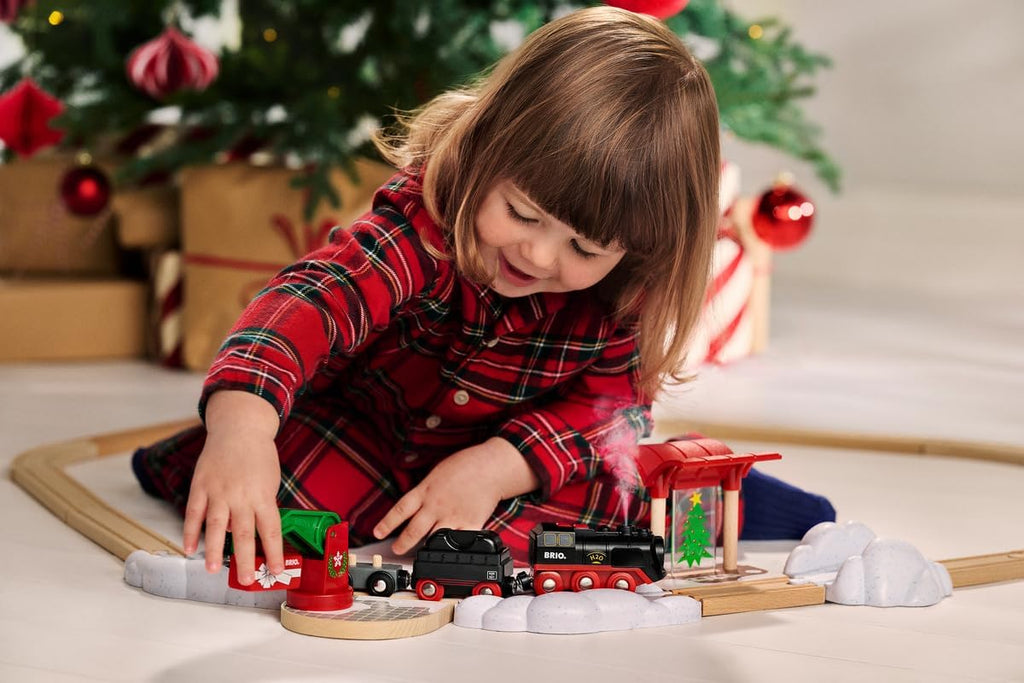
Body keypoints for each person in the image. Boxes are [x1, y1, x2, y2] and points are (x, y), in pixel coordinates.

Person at [133, 6, 832, 587]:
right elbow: (309, 305)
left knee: (592, 521)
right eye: (523, 214)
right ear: (486, 150)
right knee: (291, 508)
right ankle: (212, 458)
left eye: (584, 249)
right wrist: (242, 433)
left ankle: (688, 495)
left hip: (507, 460)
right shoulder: (422, 228)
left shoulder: (625, 292)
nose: (537, 253)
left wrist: (494, 468)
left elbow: (609, 405)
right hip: (365, 434)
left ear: (635, 250)